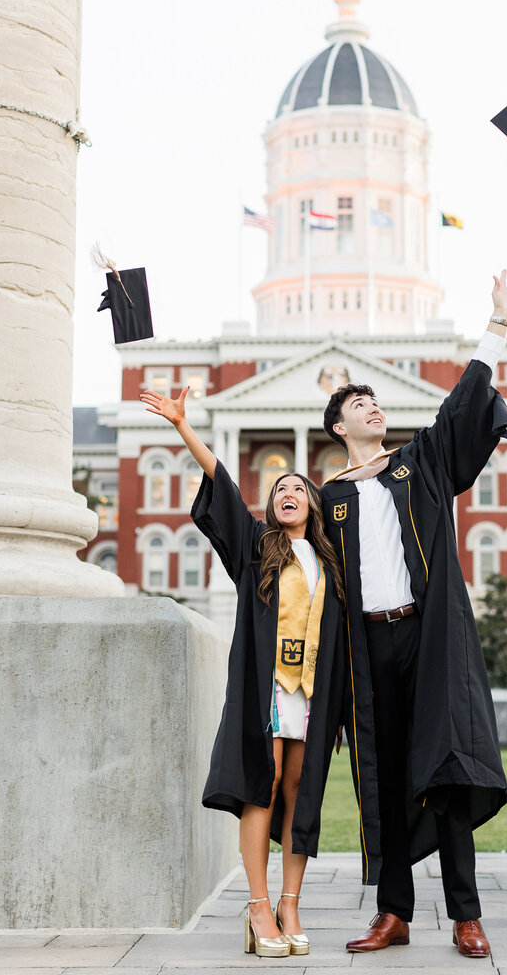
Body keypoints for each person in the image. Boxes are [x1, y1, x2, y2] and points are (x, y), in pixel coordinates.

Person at [320, 269, 507, 959]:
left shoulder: (421, 464)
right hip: (366, 650)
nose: (374, 409)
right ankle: (394, 913)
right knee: (383, 781)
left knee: (445, 770)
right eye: (359, 404)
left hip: (426, 635)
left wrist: (496, 323)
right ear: (338, 425)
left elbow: (465, 405)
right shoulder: (331, 499)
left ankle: (466, 915)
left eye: (376, 402)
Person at [140, 385, 347, 960]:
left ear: (313, 503)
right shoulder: (258, 546)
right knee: (266, 783)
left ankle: (290, 902)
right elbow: (224, 488)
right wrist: (185, 427)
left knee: (301, 794)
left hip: (314, 692)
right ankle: (257, 906)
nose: (288, 493)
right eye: (279, 489)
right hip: (268, 690)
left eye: (298, 489)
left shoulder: (331, 561)